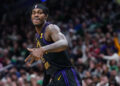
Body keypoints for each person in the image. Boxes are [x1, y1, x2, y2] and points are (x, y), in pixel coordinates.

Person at [25, 3, 82, 86]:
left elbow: (64, 43)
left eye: (40, 12)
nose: (36, 15)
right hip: (55, 77)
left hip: (66, 74)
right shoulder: (37, 37)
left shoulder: (50, 28)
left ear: (46, 16)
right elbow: (47, 65)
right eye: (33, 13)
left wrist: (42, 49)